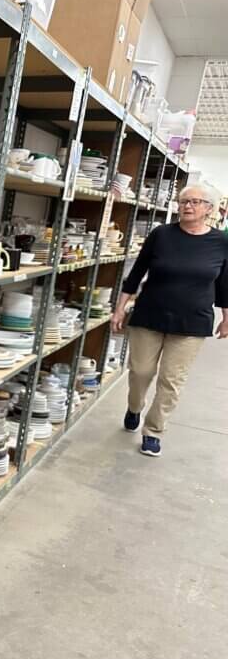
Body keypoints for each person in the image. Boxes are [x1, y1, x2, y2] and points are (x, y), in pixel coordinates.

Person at [112, 183, 228, 457]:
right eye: (183, 201)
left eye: (195, 202)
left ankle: (153, 431)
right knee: (140, 372)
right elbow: (136, 273)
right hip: (150, 314)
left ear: (209, 209)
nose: (187, 206)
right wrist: (119, 308)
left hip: (192, 321)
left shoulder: (222, 242)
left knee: (171, 380)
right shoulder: (161, 234)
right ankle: (134, 407)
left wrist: (226, 318)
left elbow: (225, 284)